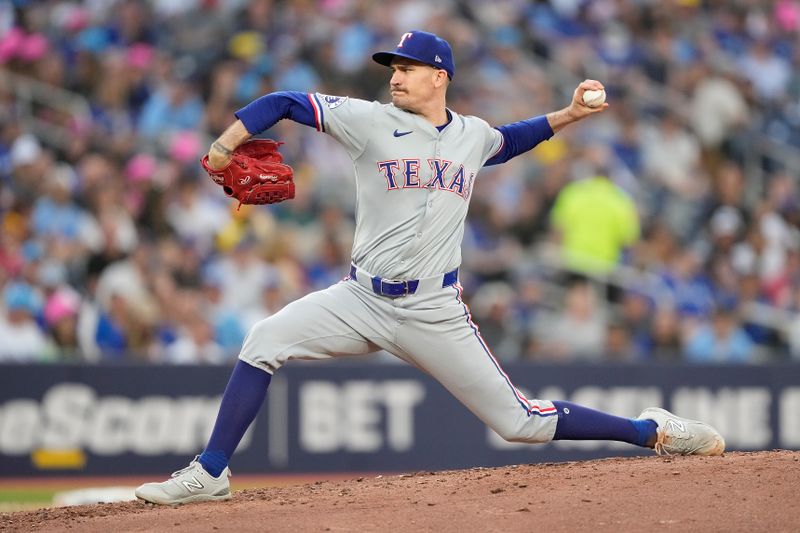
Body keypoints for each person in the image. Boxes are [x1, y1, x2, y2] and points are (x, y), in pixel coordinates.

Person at [135, 30, 725, 506]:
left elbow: (511, 138)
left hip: (432, 309)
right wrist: (226, 141)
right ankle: (210, 471)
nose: (396, 74)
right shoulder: (367, 120)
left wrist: (568, 114)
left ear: (439, 76)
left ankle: (653, 431)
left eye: (409, 67)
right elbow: (286, 101)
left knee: (520, 424)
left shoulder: (471, 135)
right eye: (393, 66)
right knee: (263, 339)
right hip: (360, 299)